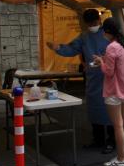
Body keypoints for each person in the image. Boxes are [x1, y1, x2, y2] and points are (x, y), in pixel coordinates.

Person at [46, 9, 114, 153]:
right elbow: (72, 49)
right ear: (85, 23)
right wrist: (58, 48)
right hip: (93, 78)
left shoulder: (108, 34)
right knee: (95, 109)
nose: (92, 26)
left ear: (99, 20)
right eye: (90, 24)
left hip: (108, 78)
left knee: (110, 109)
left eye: (94, 23)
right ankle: (98, 139)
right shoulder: (84, 37)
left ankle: (112, 140)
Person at [93, 17, 124, 166]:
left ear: (108, 32)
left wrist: (101, 62)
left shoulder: (111, 47)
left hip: (114, 90)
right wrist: (104, 59)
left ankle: (120, 158)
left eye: (103, 31)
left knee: (118, 125)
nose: (103, 34)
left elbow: (109, 72)